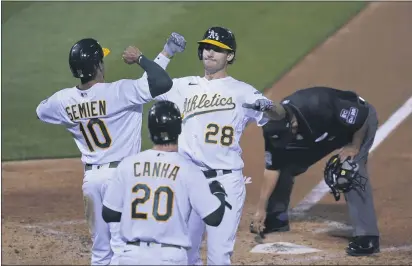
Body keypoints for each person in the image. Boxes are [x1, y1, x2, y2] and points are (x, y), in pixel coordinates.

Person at [35, 34, 186, 265]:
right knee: (123, 247)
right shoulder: (120, 92)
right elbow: (160, 81)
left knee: (101, 251)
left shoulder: (63, 100)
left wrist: (80, 110)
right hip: (121, 179)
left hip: (92, 180)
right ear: (97, 66)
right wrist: (142, 58)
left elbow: (41, 111)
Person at [142, 26, 281, 265]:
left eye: (217, 49)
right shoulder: (183, 86)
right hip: (188, 180)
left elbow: (279, 114)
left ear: (229, 56)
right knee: (183, 253)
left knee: (218, 256)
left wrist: (266, 105)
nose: (209, 53)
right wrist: (166, 53)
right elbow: (147, 86)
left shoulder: (242, 91)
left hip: (225, 182)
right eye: (206, 47)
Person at [248, 86, 380, 256]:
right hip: (320, 135)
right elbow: (272, 168)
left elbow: (359, 115)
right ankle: (276, 218)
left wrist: (354, 146)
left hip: (355, 127)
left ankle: (367, 237)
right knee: (284, 165)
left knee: (350, 169)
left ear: (293, 124)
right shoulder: (273, 127)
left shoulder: (318, 104)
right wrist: (261, 208)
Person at [102, 100, 228, 265]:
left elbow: (109, 213)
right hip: (170, 257)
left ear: (150, 130)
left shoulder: (127, 164)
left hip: (131, 256)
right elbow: (213, 217)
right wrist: (219, 192)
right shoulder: (189, 169)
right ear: (178, 129)